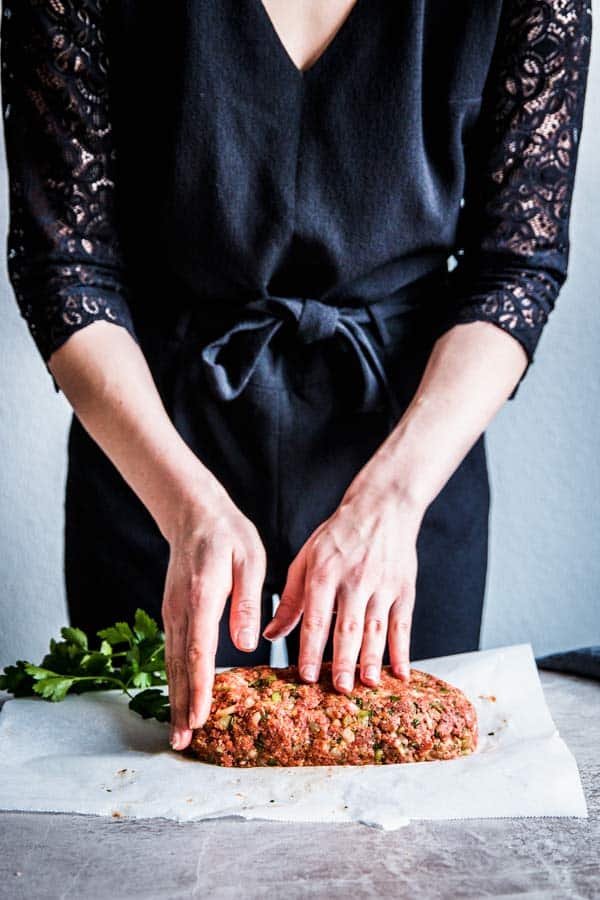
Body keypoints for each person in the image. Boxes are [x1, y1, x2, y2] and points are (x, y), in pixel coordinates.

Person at [1, 0, 592, 751]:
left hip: (406, 441)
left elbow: (517, 263)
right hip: (158, 436)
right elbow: (65, 266)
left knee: (399, 838)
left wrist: (392, 500)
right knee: (160, 815)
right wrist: (186, 510)